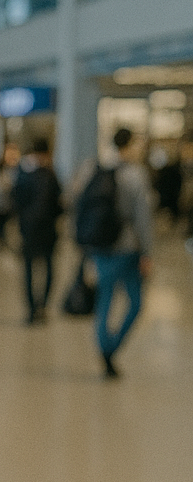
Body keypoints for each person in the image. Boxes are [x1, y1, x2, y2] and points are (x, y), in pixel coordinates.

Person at [71, 127, 155, 379]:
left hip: (100, 246)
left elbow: (78, 203)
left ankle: (104, 349)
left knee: (104, 301)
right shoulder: (135, 174)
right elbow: (143, 217)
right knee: (136, 303)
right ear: (129, 145)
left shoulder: (94, 168)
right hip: (128, 248)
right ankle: (112, 348)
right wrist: (148, 253)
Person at [10, 138, 63, 325]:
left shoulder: (22, 173)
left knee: (28, 269)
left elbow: (15, 200)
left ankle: (31, 308)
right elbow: (59, 204)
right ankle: (43, 305)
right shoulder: (50, 174)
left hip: (28, 228)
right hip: (47, 228)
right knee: (48, 266)